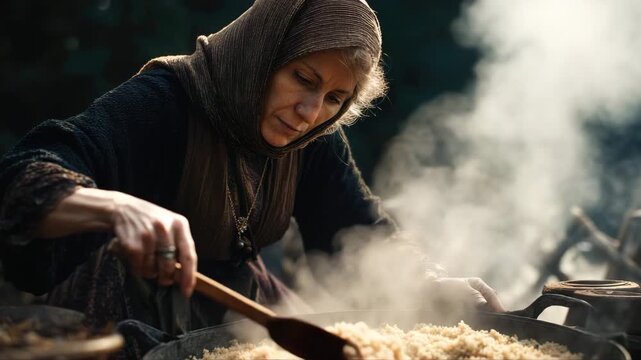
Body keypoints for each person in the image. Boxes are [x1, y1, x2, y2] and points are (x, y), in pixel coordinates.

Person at [0, 0, 504, 357]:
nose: (310, 112)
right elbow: (20, 174)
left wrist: (428, 284)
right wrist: (116, 207)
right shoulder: (164, 101)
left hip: (236, 307)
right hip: (119, 311)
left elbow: (357, 230)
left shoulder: (312, 138)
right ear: (263, 53)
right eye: (302, 79)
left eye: (334, 99)